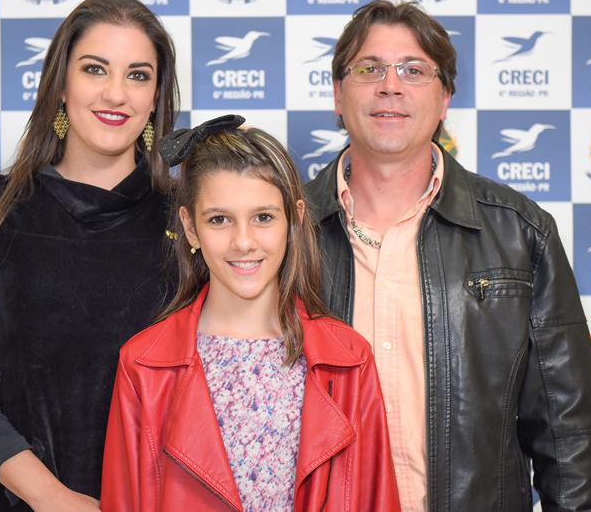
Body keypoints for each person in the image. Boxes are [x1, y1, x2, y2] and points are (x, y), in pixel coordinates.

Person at [304, 0, 591, 512]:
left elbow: (566, 431)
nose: (390, 85)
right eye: (369, 68)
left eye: (414, 70)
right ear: (338, 93)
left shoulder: (520, 231)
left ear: (445, 98)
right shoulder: (284, 232)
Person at [0, 0, 179, 511]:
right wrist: (52, 498)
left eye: (137, 75)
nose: (116, 93)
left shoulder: (189, 219)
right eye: (94, 69)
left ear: (155, 97)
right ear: (61, 84)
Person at [100, 116, 399, 512]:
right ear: (190, 228)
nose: (243, 241)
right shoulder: (142, 367)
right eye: (219, 219)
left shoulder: (350, 361)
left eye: (263, 217)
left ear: (293, 219)